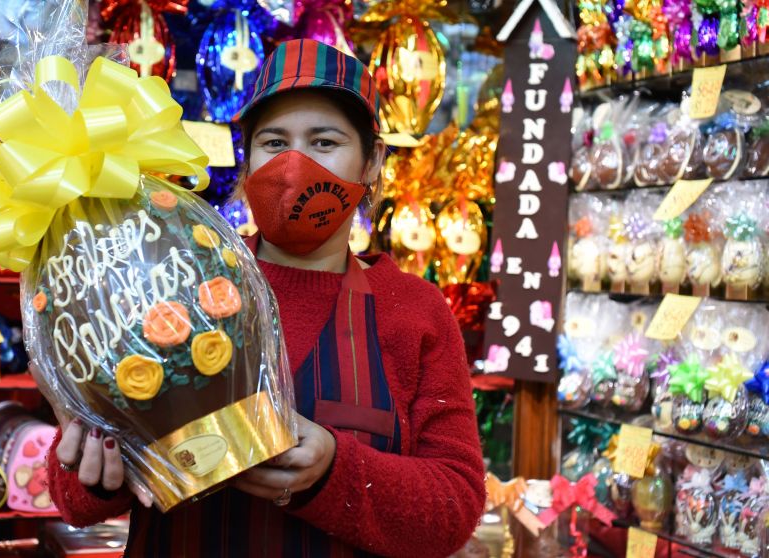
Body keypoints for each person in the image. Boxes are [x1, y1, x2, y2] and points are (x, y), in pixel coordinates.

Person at [45, 39, 486, 557]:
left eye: (324, 142)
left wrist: (334, 472)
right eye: (274, 143)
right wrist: (97, 478)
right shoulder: (172, 274)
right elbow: (72, 490)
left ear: (371, 162)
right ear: (248, 161)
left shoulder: (414, 311)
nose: (294, 166)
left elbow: (454, 507)